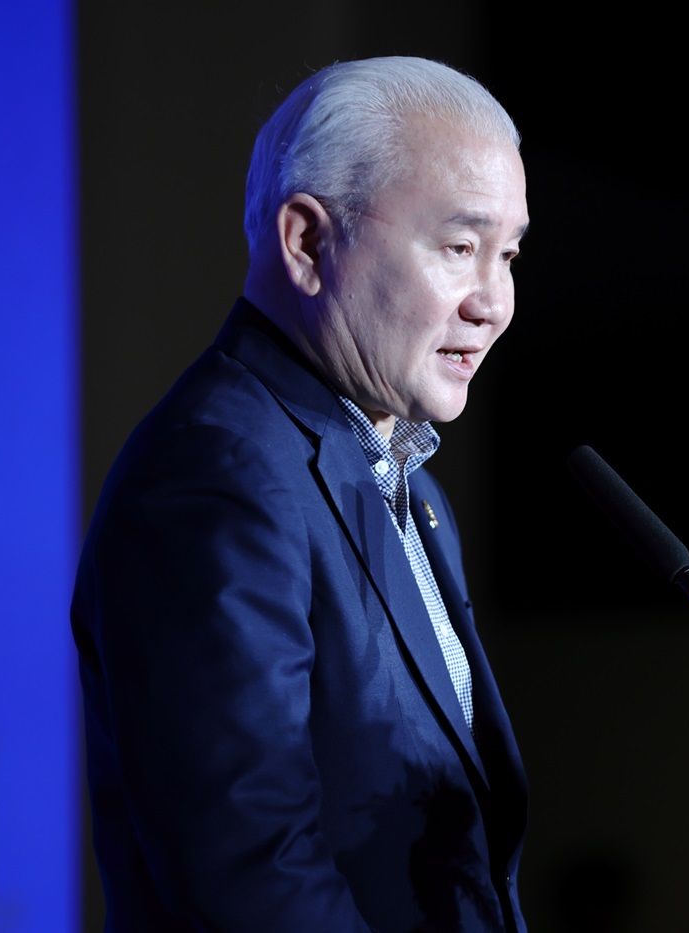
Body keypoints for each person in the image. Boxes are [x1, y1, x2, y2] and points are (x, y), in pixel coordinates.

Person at [71, 56, 530, 932]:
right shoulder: (215, 471)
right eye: (460, 248)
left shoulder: (411, 485)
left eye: (508, 254)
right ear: (307, 243)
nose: (494, 302)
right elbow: (251, 870)